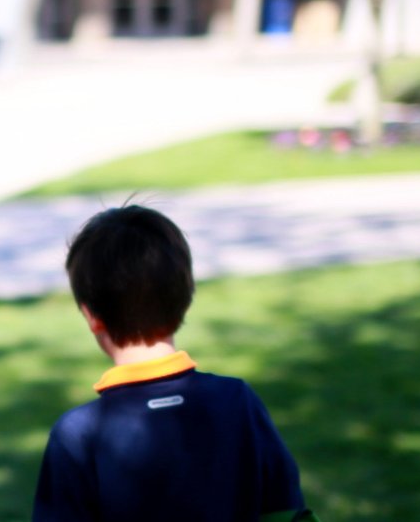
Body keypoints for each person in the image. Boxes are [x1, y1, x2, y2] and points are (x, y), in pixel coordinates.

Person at [33, 205, 313, 522]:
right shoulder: (237, 401)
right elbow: (288, 513)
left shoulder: (77, 434)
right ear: (185, 297)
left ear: (91, 316)